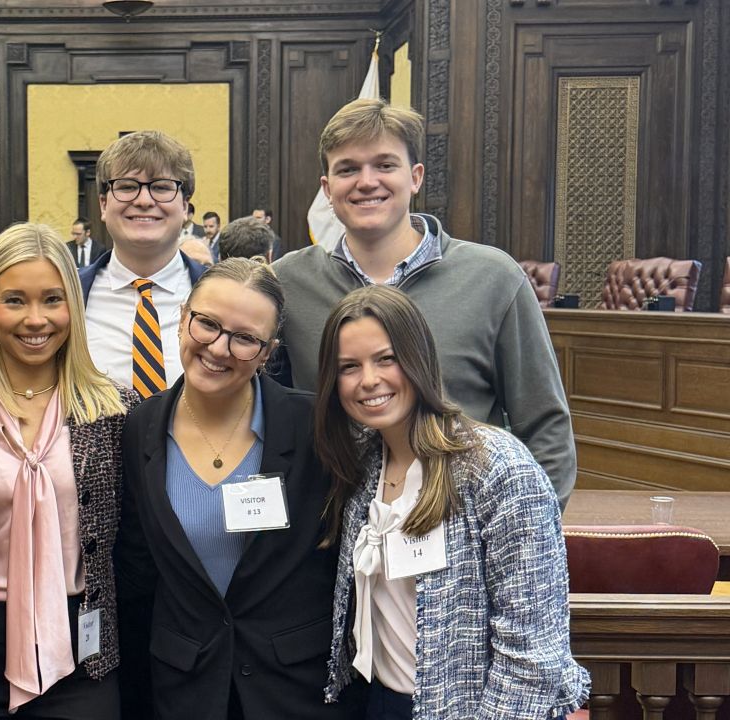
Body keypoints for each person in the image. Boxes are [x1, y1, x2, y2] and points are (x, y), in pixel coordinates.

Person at [273, 98, 576, 506]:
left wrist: (528, 532)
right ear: (327, 188)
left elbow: (544, 426)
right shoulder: (288, 284)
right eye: (348, 168)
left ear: (415, 177)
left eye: (384, 165)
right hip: (334, 542)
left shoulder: (493, 278)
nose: (366, 181)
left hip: (463, 536)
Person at [315, 284, 589, 720]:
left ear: (418, 358)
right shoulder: (363, 462)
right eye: (349, 366)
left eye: (386, 359)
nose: (368, 380)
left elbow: (534, 654)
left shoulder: (498, 469)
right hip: (378, 701)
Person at [115, 258, 362, 720]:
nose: (219, 348)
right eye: (207, 324)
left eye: (245, 338)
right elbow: (137, 572)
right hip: (184, 687)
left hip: (295, 690)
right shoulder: (140, 429)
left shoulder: (316, 429)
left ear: (268, 352)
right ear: (184, 315)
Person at [0, 222, 138, 719]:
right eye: (15, 300)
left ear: (73, 309)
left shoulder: (115, 412)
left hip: (81, 652)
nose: (36, 319)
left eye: (52, 300)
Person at [80, 130, 207, 398]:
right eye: (126, 187)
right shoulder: (69, 295)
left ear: (185, 206)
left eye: (161, 187)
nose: (144, 200)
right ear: (103, 204)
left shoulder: (220, 294)